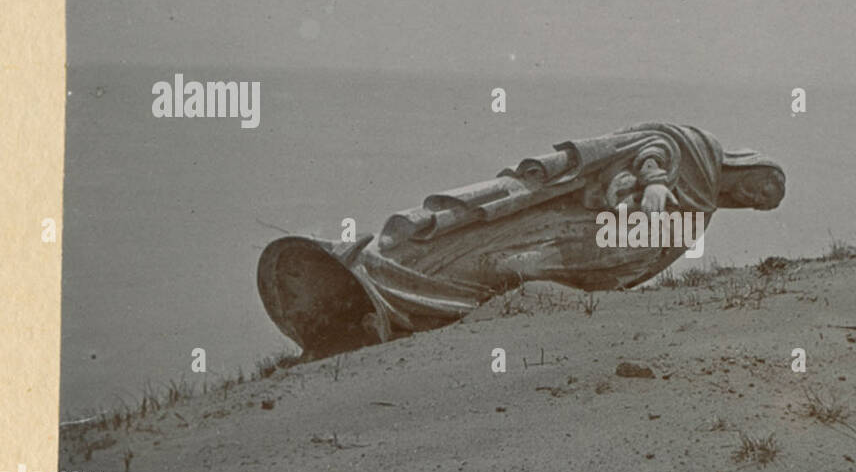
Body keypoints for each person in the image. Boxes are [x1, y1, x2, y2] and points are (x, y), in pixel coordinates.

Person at [257, 123, 785, 358]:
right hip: (559, 216)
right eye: (759, 188)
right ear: (748, 165)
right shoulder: (696, 147)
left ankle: (398, 312)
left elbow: (642, 250)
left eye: (759, 204)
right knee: (479, 246)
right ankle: (376, 272)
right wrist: (649, 187)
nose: (754, 200)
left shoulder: (701, 211)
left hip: (589, 249)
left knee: (502, 273)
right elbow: (651, 153)